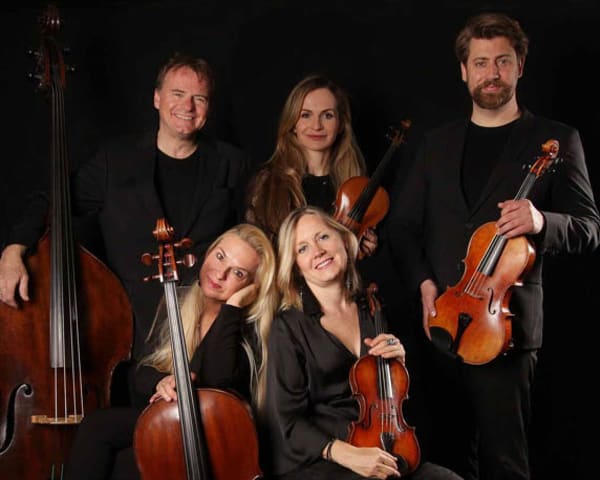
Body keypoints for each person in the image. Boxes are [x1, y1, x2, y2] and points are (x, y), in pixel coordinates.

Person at [385, 12, 600, 480]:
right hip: (441, 323)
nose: (492, 73)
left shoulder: (557, 140)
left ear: (520, 65)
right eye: (481, 63)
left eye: (503, 61)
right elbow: (401, 226)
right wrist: (424, 284)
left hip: (506, 327)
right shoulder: (435, 144)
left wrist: (541, 220)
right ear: (464, 71)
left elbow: (588, 228)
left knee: (506, 462)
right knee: (445, 458)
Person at [0, 53, 251, 366]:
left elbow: (252, 238)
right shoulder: (115, 160)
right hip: (130, 332)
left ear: (208, 108)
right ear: (157, 98)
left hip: (206, 329)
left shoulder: (232, 163)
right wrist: (15, 248)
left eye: (199, 98)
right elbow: (53, 200)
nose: (187, 106)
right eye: (177, 94)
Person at [261, 206, 462, 480]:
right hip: (322, 459)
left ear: (344, 241)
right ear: (296, 265)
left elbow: (396, 401)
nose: (317, 251)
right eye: (303, 248)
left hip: (380, 447)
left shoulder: (372, 307)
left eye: (323, 237)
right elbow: (287, 422)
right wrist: (347, 454)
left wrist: (399, 364)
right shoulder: (288, 327)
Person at [63, 223, 278, 479]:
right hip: (174, 419)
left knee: (127, 463)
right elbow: (140, 371)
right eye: (220, 256)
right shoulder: (177, 303)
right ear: (209, 251)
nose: (220, 274)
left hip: (216, 435)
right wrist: (161, 381)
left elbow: (218, 380)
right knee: (97, 427)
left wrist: (233, 307)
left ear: (253, 286)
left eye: (238, 273)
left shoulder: (250, 328)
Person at [244, 74, 377, 258]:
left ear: (340, 125)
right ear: (293, 123)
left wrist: (366, 248)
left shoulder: (355, 185)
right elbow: (255, 251)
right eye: (306, 115)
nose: (316, 126)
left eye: (327, 115)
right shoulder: (268, 182)